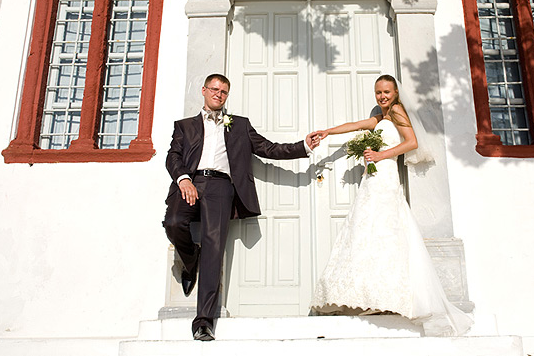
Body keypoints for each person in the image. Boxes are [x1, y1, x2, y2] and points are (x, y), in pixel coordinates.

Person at [309, 74, 473, 337]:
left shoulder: (397, 112)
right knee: (370, 230)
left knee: (385, 228)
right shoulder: (380, 115)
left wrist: (380, 154)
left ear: (396, 93)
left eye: (386, 92)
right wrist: (328, 131)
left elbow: (412, 142)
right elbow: (355, 124)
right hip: (373, 176)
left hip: (385, 175)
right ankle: (373, 295)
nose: (382, 96)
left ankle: (388, 297)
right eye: (378, 92)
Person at [163, 73, 320, 341]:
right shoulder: (184, 126)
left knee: (214, 249)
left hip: (221, 188)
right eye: (214, 89)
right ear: (204, 90)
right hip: (190, 182)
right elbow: (173, 156)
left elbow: (268, 148)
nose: (218, 95)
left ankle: (204, 322)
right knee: (174, 223)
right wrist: (184, 179)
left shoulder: (239, 125)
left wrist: (303, 146)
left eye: (224, 91)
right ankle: (190, 261)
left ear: (227, 95)